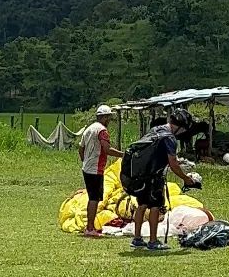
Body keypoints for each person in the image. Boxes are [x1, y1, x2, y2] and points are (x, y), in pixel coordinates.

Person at [124, 106, 202, 251]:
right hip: (153, 177)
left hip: (141, 176)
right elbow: (173, 164)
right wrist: (186, 179)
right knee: (155, 207)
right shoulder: (170, 138)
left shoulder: (156, 130)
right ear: (180, 126)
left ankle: (137, 238)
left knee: (141, 205)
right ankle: (153, 241)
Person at [78, 104, 123, 237]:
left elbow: (81, 149)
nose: (109, 120)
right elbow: (107, 149)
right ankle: (90, 227)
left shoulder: (89, 129)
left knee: (92, 197)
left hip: (87, 167)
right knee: (94, 198)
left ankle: (89, 226)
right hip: (95, 169)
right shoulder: (102, 131)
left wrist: (85, 160)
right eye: (108, 117)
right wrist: (124, 155)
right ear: (104, 117)